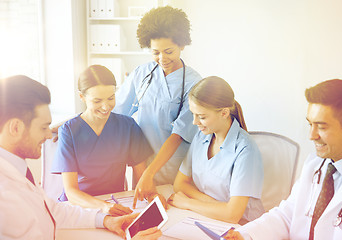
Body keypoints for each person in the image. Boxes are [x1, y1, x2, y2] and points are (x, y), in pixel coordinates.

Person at [0, 75, 162, 240]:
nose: (49, 135)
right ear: (15, 127)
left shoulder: (17, 171)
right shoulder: (6, 195)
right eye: (43, 128)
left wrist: (105, 221)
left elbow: (53, 210)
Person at [225, 79, 342, 240]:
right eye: (310, 124)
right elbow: (287, 215)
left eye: (322, 127)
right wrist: (244, 235)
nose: (312, 136)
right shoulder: (315, 164)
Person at [113, 6, 202, 207]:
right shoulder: (142, 73)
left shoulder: (195, 84)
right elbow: (116, 110)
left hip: (174, 170)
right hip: (141, 166)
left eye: (168, 51)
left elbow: (178, 134)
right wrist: (74, 122)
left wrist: (149, 174)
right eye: (155, 52)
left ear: (182, 45)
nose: (162, 58)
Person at [51, 65, 154, 215]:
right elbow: (71, 191)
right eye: (97, 101)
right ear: (82, 97)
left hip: (116, 202)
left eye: (111, 98)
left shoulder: (128, 126)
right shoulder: (69, 131)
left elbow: (141, 179)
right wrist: (103, 206)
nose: (106, 106)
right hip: (79, 207)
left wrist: (148, 199)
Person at [167, 76, 265, 224]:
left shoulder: (246, 149)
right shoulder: (201, 136)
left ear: (224, 113)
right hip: (209, 217)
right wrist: (216, 206)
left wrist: (188, 203)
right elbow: (180, 184)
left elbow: (232, 215)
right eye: (193, 114)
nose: (195, 122)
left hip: (242, 226)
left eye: (202, 117)